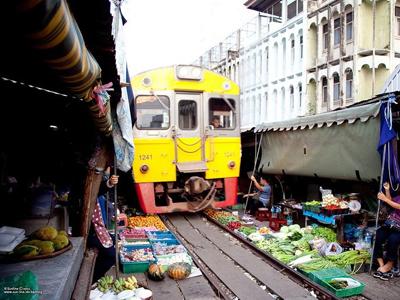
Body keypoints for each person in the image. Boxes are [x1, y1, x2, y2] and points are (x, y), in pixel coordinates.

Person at [88, 167, 119, 282]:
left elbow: (99, 192)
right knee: (111, 255)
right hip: (89, 232)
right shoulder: (86, 187)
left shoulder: (95, 190)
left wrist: (109, 183)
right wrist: (109, 183)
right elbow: (97, 191)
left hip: (97, 228)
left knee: (115, 239)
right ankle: (93, 279)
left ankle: (97, 271)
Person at [372, 182, 400, 281]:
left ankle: (389, 265)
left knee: (393, 239)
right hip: (390, 224)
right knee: (378, 235)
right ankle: (382, 265)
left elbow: (398, 206)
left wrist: (384, 199)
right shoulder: (398, 196)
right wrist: (387, 190)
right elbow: (391, 201)